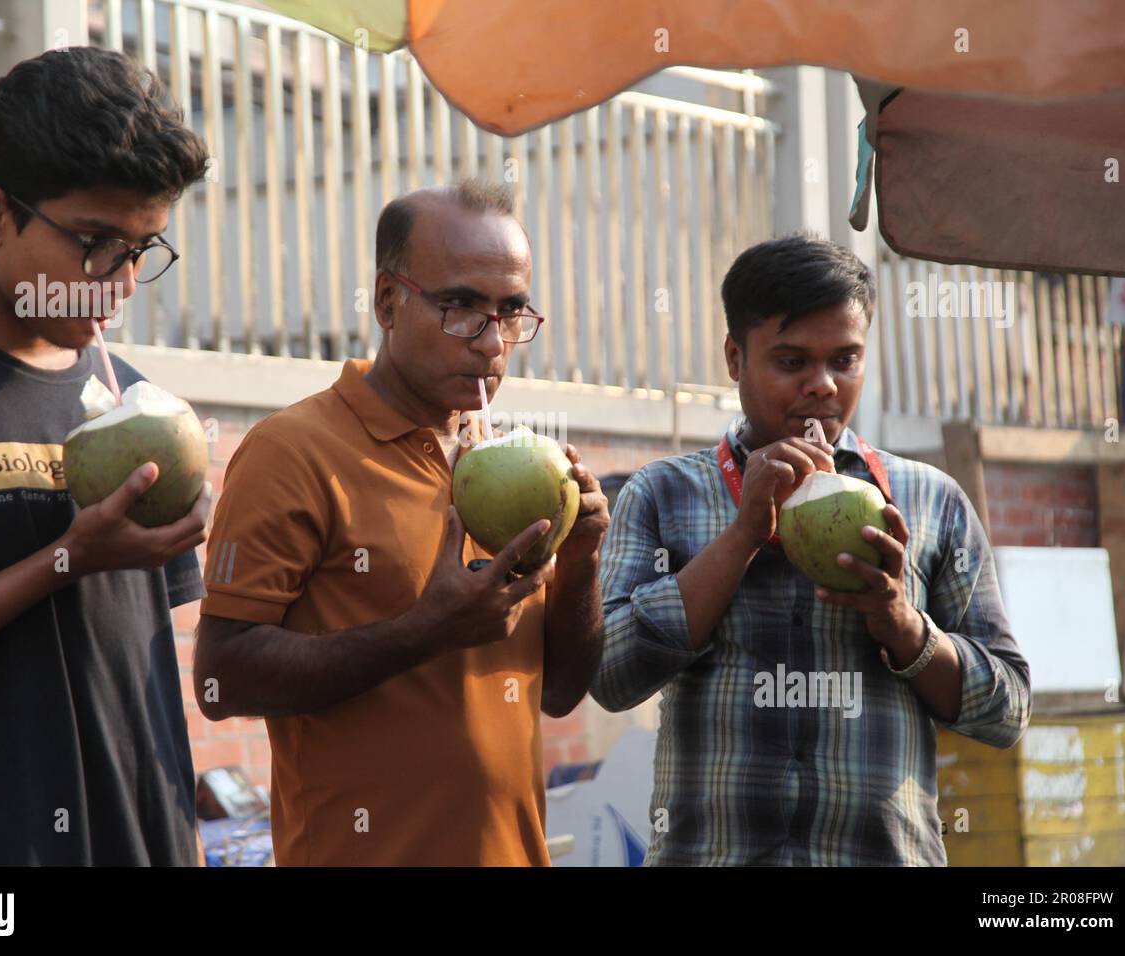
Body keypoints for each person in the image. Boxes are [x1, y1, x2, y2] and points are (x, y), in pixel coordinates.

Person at [0, 47, 212, 865]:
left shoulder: (134, 401)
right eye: (96, 243)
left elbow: (141, 680)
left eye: (142, 249)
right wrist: (64, 560)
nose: (119, 283)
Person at [194, 181, 610, 866]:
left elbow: (561, 693)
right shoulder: (292, 451)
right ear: (388, 301)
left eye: (510, 312)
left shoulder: (515, 465)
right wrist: (426, 632)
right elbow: (221, 679)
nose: (490, 341)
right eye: (461, 307)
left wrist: (584, 560)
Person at [592, 234, 1031, 865]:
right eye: (792, 362)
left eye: (844, 360)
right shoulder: (664, 494)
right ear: (734, 358)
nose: (822, 386)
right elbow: (610, 676)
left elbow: (1008, 709)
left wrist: (904, 628)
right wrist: (743, 536)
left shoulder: (930, 501)